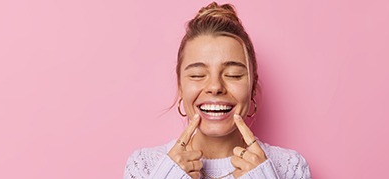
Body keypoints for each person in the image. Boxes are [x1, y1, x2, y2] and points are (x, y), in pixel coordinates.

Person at [123, 2, 311, 179]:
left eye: (233, 74)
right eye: (197, 75)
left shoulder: (290, 167)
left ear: (253, 87)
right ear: (181, 87)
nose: (215, 87)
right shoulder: (144, 166)